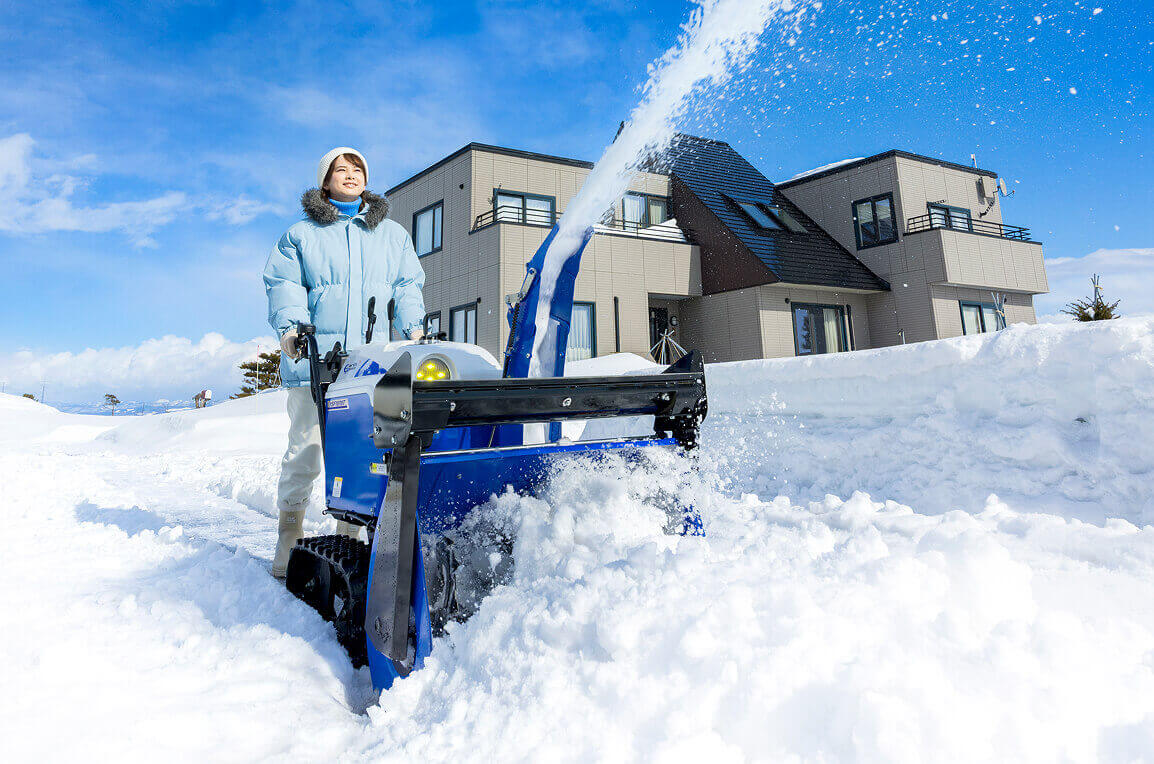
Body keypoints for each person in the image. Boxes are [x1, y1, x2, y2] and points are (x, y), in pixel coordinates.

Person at [263, 147, 426, 577]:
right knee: (308, 448)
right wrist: (293, 330)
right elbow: (284, 285)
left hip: (369, 366)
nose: (350, 174)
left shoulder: (392, 236)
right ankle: (290, 532)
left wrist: (412, 328)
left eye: (357, 169)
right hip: (316, 362)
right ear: (325, 181)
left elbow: (408, 283)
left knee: (368, 452)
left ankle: (350, 535)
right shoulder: (301, 235)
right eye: (341, 169)